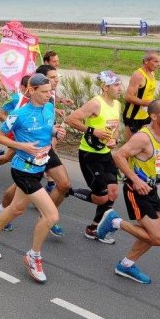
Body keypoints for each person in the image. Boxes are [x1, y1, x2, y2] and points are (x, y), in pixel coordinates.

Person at [95, 99, 160, 284]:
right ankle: (115, 221)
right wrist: (135, 180)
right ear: (153, 116)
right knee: (158, 238)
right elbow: (118, 155)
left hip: (151, 190)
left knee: (150, 234)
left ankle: (126, 265)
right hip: (137, 191)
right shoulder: (143, 137)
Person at [0, 73, 60, 283]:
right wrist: (21, 146)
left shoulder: (49, 107)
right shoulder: (20, 113)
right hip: (23, 170)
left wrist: (56, 133)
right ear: (31, 90)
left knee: (16, 208)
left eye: (50, 91)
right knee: (51, 216)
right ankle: (34, 256)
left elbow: (46, 130)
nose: (49, 95)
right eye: (44, 92)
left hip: (39, 167)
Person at [66, 70, 124, 242]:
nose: (120, 88)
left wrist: (114, 139)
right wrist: (93, 131)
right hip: (90, 155)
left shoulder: (117, 104)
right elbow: (71, 119)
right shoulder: (95, 103)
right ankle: (68, 191)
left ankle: (93, 228)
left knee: (112, 194)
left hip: (106, 154)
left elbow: (115, 126)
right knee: (101, 197)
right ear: (105, 87)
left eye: (120, 84)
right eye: (116, 85)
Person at [122, 51, 160, 135]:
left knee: (145, 146)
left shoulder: (152, 73)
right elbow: (128, 97)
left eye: (159, 62)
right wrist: (147, 103)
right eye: (156, 61)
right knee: (132, 147)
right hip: (133, 117)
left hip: (146, 115)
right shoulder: (138, 75)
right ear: (146, 61)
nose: (159, 64)